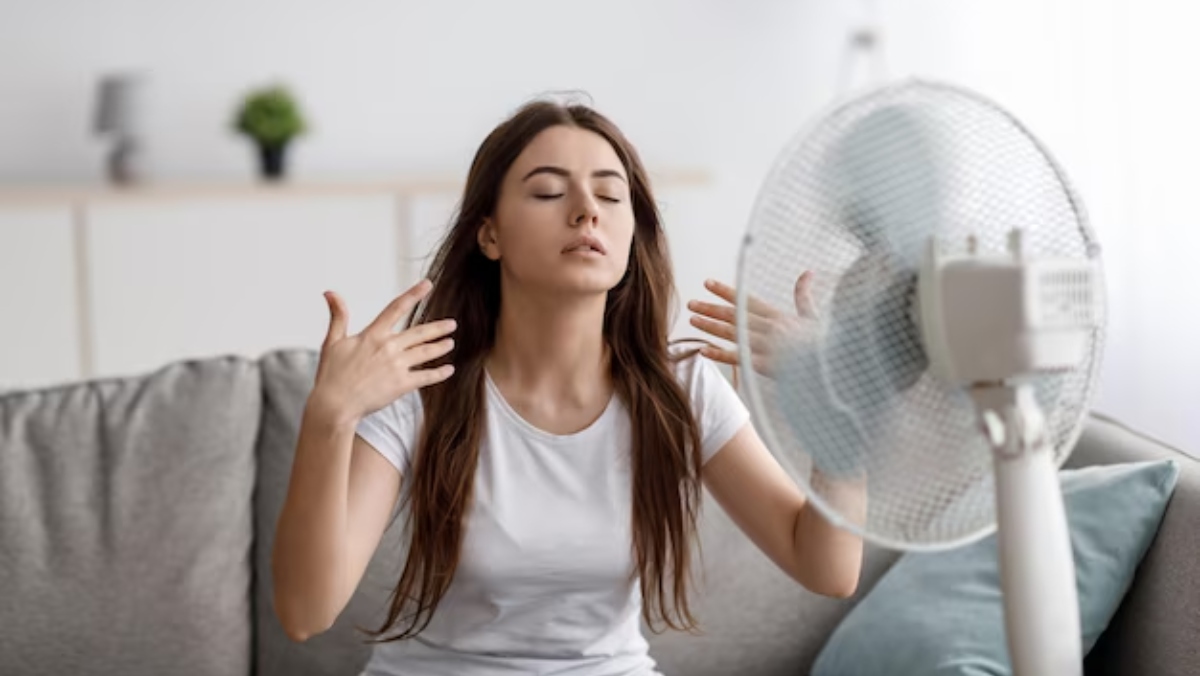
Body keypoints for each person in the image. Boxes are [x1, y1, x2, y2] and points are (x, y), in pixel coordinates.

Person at [271, 99, 866, 676]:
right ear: (490, 236)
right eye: (549, 192)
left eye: (610, 195)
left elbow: (827, 569)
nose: (587, 211)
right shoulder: (424, 389)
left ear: (632, 235)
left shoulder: (681, 389)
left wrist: (839, 405)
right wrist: (330, 416)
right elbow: (305, 613)